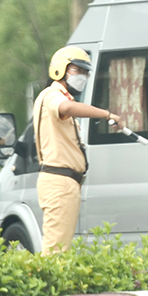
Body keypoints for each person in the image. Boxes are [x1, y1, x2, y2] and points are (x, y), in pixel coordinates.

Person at [34, 46, 122, 254]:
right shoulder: (53, 95)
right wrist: (106, 114)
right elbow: (65, 108)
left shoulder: (57, 96)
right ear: (60, 70)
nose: (82, 76)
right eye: (77, 70)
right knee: (56, 252)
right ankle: (49, 286)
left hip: (64, 181)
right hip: (59, 181)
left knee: (60, 248)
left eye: (85, 73)